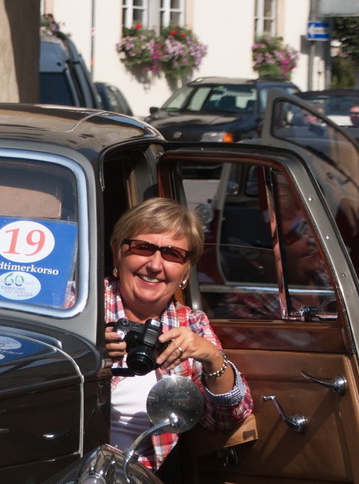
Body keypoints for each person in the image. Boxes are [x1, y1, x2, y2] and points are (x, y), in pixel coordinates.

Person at [104, 197, 252, 469]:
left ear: (186, 270)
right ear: (117, 253)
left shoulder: (190, 323)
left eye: (172, 254)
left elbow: (225, 419)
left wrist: (212, 359)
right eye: (143, 248)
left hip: (138, 482)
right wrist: (83, 354)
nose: (155, 265)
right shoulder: (77, 305)